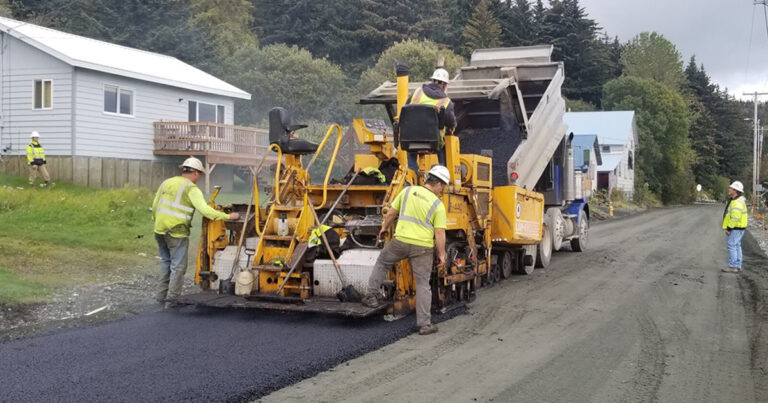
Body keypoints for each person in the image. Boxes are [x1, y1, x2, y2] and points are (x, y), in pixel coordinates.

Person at [363, 165, 450, 335]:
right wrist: (442, 254)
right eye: (443, 186)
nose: (443, 190)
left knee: (383, 262)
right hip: (423, 248)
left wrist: (384, 228)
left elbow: (390, 213)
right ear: (439, 184)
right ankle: (425, 325)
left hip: (400, 242)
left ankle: (371, 296)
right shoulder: (438, 205)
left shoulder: (407, 191)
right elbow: (439, 232)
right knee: (423, 284)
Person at [152, 157, 240, 308]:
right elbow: (205, 210)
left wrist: (158, 222)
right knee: (178, 267)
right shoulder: (191, 189)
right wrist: (228, 216)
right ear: (196, 173)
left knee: (166, 263)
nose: (198, 178)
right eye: (199, 174)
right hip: (176, 232)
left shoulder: (166, 182)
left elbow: (155, 206)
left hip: (159, 230)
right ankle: (172, 303)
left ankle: (160, 299)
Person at [406, 68, 457, 170]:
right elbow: (451, 123)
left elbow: (406, 109)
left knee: (411, 148)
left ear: (433, 81)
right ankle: (442, 168)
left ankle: (412, 171)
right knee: (443, 146)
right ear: (444, 85)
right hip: (434, 141)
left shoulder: (416, 93)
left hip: (412, 139)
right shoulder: (446, 101)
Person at [722, 181, 748, 273]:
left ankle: (733, 266)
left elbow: (735, 217)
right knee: (737, 245)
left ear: (735, 191)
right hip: (739, 228)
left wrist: (729, 228)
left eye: (731, 188)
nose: (729, 189)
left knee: (732, 245)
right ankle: (737, 265)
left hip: (736, 228)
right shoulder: (737, 201)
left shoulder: (737, 202)